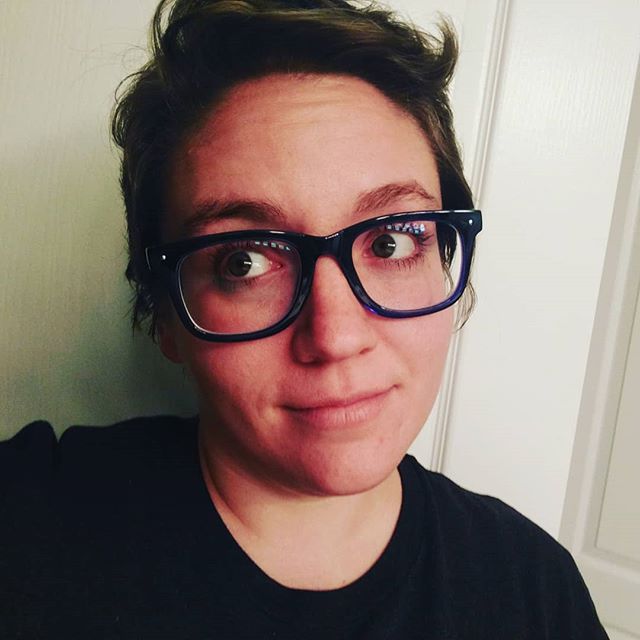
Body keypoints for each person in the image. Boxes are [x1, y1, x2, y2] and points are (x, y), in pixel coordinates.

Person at [0, 1, 608, 638]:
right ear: (164, 316)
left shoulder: (534, 592)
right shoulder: (28, 523)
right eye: (243, 261)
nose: (336, 337)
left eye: (391, 242)